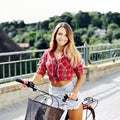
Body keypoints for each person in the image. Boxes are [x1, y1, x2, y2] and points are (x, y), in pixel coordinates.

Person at [23, 22, 84, 120]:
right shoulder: (47, 53)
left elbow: (81, 76)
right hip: (53, 92)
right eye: (60, 34)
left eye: (66, 35)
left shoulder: (73, 54)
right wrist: (31, 82)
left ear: (69, 38)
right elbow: (40, 71)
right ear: (55, 34)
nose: (62, 37)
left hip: (69, 92)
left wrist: (75, 92)